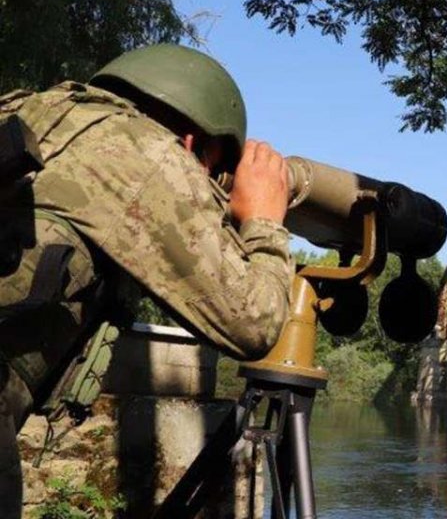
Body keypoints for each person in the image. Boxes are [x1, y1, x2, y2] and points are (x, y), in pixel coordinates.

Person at [0, 44, 293, 516]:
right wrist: (264, 221)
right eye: (214, 172)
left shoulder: (29, 109)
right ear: (193, 144)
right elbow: (253, 322)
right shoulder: (152, 152)